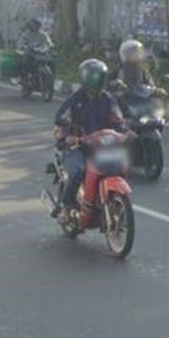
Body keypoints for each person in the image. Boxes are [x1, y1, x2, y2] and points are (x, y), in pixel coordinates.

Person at [51, 59, 126, 218]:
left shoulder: (107, 99)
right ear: (86, 78)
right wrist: (69, 135)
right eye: (94, 78)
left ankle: (105, 201)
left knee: (119, 165)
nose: (98, 81)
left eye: (101, 77)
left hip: (100, 144)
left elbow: (118, 120)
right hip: (77, 145)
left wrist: (125, 132)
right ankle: (66, 206)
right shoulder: (75, 100)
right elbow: (61, 118)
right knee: (77, 171)